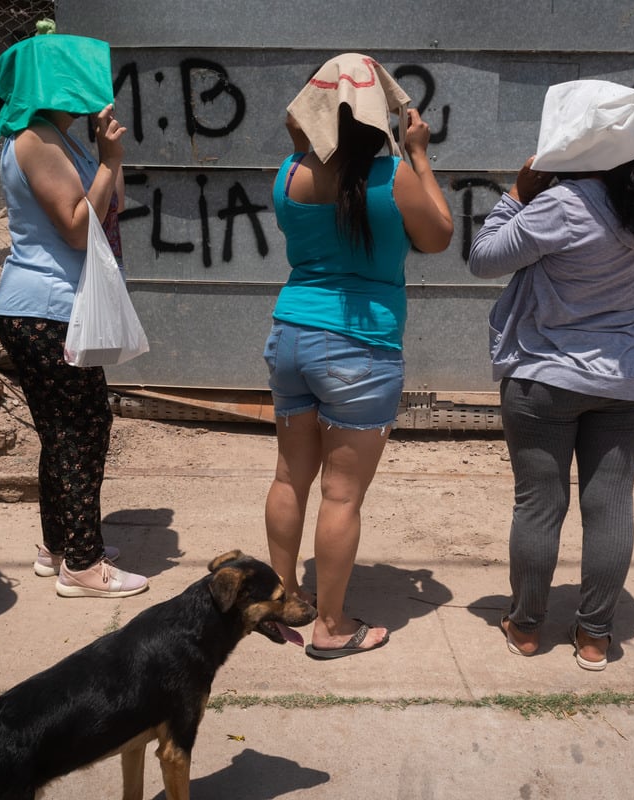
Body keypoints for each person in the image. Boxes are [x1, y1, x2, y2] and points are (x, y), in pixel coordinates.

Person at [467, 80, 634, 670]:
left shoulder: (562, 205)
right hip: (627, 380)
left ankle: (525, 627)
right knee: (611, 506)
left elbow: (483, 259)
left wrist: (517, 195)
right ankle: (595, 636)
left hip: (544, 379)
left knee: (539, 506)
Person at [263, 53, 453, 659]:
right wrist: (418, 154)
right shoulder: (393, 178)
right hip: (360, 350)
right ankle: (330, 627)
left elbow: (312, 146)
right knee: (341, 496)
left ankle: (283, 601)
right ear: (380, 122)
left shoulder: (288, 175)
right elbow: (440, 235)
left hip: (291, 336)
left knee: (289, 476)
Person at [0, 32, 147, 599]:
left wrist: (106, 158)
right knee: (83, 428)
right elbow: (78, 226)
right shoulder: (33, 140)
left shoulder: (56, 137)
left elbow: (108, 200)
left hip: (56, 306)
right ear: (56, 84)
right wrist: (112, 160)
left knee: (64, 430)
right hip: (46, 307)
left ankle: (60, 545)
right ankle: (83, 565)